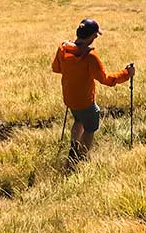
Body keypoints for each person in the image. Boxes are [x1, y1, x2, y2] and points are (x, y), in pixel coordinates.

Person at [52, 18, 134, 165]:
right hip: (85, 101)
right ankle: (80, 158)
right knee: (90, 128)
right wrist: (127, 74)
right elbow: (106, 79)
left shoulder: (63, 49)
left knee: (78, 120)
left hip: (69, 98)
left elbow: (56, 68)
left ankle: (74, 147)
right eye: (95, 35)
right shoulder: (90, 56)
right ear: (90, 36)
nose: (96, 38)